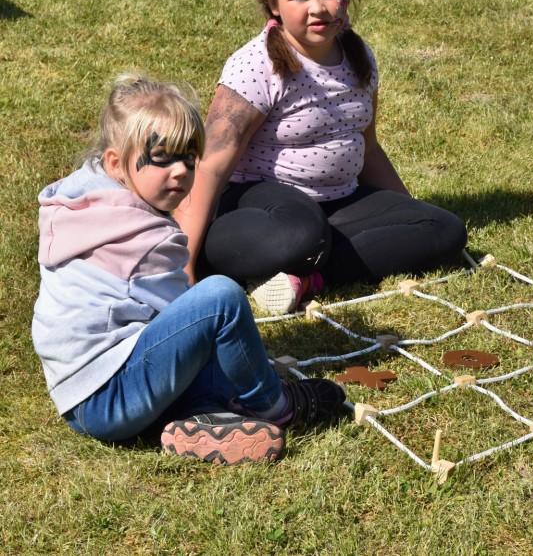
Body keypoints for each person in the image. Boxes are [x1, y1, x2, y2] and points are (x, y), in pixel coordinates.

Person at [32, 74, 346, 465]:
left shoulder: (80, 201)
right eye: (162, 157)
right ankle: (273, 405)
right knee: (221, 300)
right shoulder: (144, 238)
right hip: (113, 398)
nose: (180, 171)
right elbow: (193, 325)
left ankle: (205, 419)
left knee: (210, 337)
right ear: (116, 161)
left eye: (189, 157)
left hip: (76, 398)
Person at [174, 0, 467, 315]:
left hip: (335, 205)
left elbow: (368, 148)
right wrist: (183, 266)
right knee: (303, 235)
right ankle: (270, 258)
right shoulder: (255, 66)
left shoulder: (358, 56)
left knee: (445, 229)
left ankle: (306, 278)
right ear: (273, 3)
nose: (318, 8)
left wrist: (407, 213)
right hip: (259, 211)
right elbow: (210, 166)